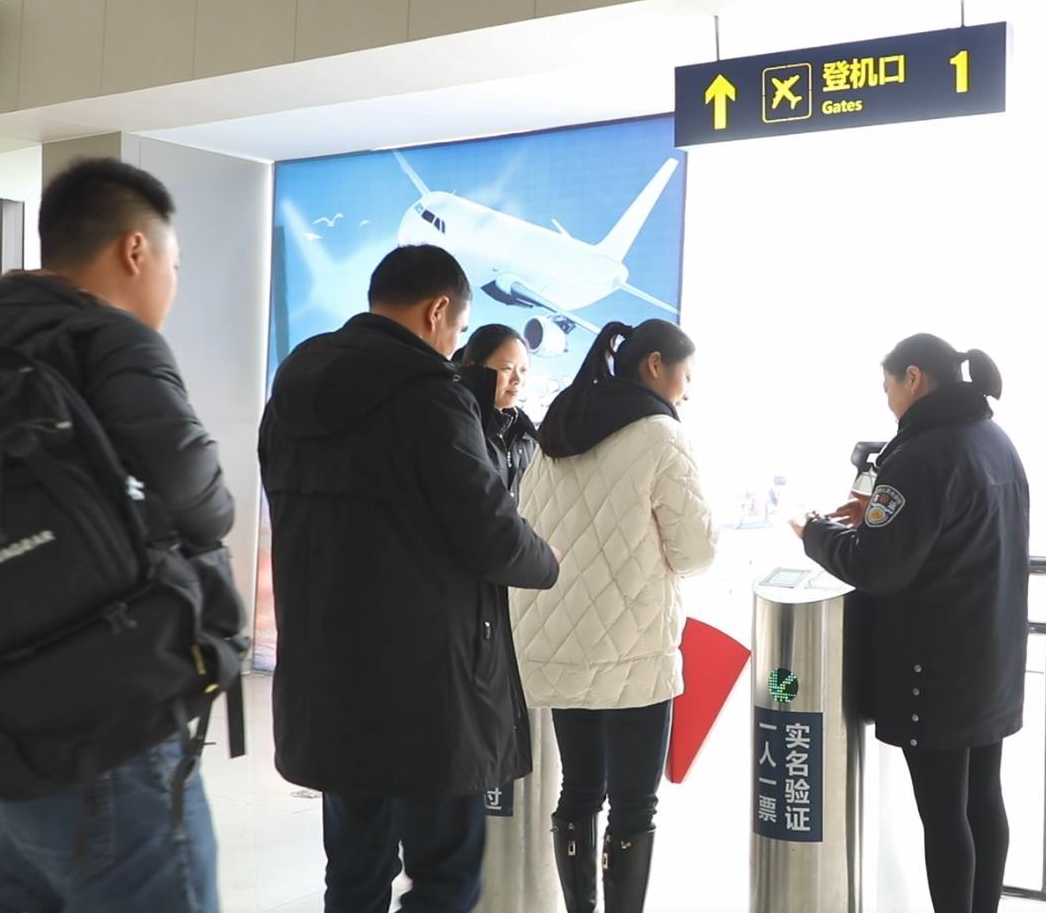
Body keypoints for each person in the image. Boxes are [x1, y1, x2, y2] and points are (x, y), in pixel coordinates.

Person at [258, 244, 561, 913]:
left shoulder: (295, 385)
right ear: (438, 310)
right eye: (458, 329)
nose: (453, 344)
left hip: (327, 675)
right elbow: (488, 530)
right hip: (429, 689)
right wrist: (546, 560)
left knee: (354, 872)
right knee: (446, 876)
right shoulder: (430, 396)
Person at [0, 158, 233, 911]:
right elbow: (198, 501)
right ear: (134, 250)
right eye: (174, 265)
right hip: (105, 719)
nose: (172, 285)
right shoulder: (109, 337)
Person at [794, 333, 1029, 913]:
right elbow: (951, 533)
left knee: (944, 815)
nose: (888, 400)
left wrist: (815, 533)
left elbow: (878, 566)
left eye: (889, 387)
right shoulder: (995, 442)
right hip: (990, 658)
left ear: (914, 378)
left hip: (935, 668)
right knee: (983, 801)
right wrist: (876, 517)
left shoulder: (920, 454)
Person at [507, 320, 717, 913]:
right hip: (631, 647)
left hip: (557, 637)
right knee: (633, 805)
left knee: (578, 790)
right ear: (656, 366)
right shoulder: (660, 434)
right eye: (686, 375)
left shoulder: (560, 423)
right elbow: (696, 551)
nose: (687, 390)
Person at [453, 323, 539, 498]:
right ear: (473, 367)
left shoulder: (526, 436)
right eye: (507, 368)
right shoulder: (456, 425)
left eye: (523, 370)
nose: (517, 379)